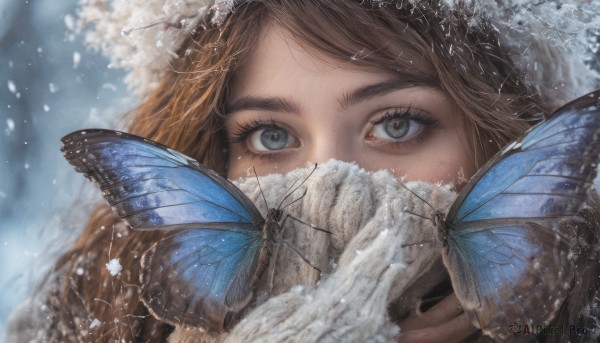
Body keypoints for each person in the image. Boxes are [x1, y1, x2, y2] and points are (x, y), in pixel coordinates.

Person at [7, 0, 600, 342]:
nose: (328, 180)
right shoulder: (94, 324)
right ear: (211, 156)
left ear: (502, 136)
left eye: (398, 125)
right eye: (271, 136)